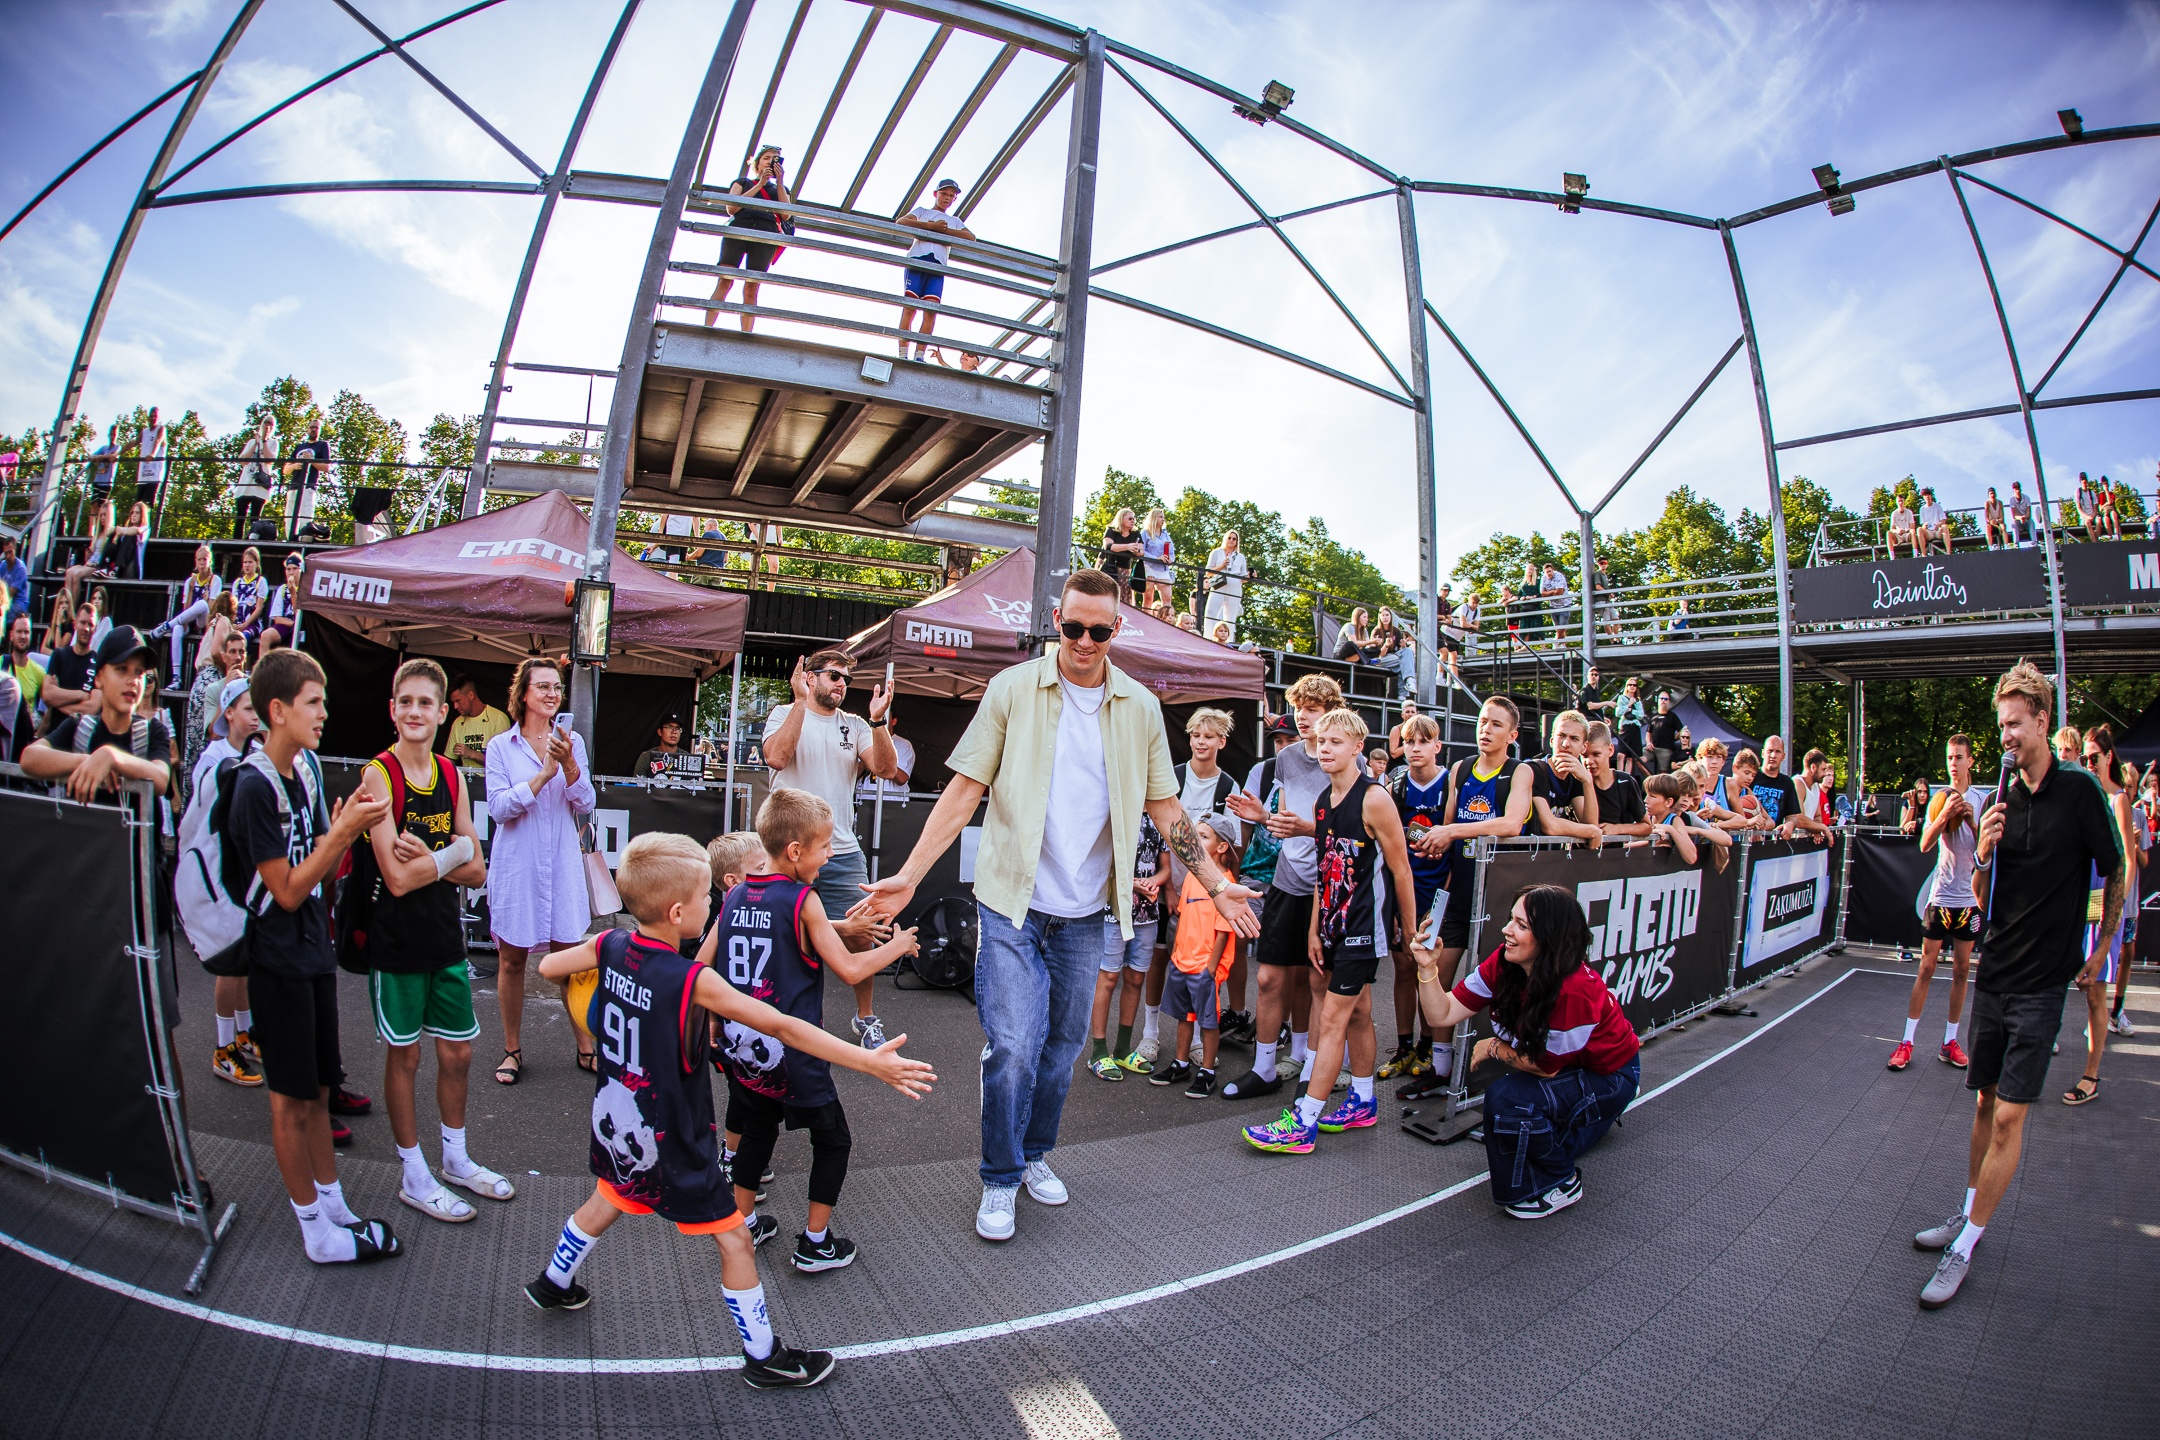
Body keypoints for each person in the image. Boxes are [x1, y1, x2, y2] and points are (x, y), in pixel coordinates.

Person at [853, 567, 1256, 1242]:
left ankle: (1034, 1152)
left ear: (1116, 629)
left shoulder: (1139, 707)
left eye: (1099, 631)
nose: (1085, 641)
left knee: (1063, 1048)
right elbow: (963, 789)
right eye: (1073, 627)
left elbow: (1166, 808)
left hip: (1087, 912)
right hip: (1011, 904)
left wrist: (1215, 883)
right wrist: (909, 875)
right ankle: (1000, 1176)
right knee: (1012, 1046)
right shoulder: (1013, 688)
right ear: (1056, 621)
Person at [526, 834, 934, 1387]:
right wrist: (868, 1061)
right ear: (677, 913)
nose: (710, 905)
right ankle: (764, 1356)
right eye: (704, 898)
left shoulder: (610, 945)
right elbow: (784, 1026)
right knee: (736, 1239)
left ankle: (554, 1281)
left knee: (611, 1197)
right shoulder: (691, 980)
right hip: (673, 1138)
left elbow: (550, 966)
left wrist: (600, 996)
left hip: (619, 1119)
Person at [1911, 664, 2123, 1309]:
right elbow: (1980, 893)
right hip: (1997, 971)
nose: (2005, 735)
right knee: (1983, 1103)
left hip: (2043, 980)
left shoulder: (2079, 791)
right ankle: (1968, 1210)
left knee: (2009, 1115)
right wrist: (1983, 851)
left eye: (2014, 724)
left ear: (2041, 722)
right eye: (2000, 724)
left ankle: (1967, 1244)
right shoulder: (1999, 797)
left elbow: (2115, 868)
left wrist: (2103, 946)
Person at [705, 789, 920, 1267]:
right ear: (795, 851)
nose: (829, 855)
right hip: (794, 1050)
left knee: (757, 1132)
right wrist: (899, 944)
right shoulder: (804, 899)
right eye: (824, 847)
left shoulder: (735, 895)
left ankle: (743, 1225)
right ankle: (816, 1242)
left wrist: (716, 1018)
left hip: (744, 1046)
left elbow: (701, 966)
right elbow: (849, 969)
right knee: (833, 1139)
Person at [236, 650, 399, 1262]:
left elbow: (319, 875)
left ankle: (333, 1207)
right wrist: (342, 834)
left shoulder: (304, 768)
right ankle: (314, 1231)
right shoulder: (253, 784)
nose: (325, 713)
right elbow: (284, 890)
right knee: (289, 1099)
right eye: (314, 702)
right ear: (277, 711)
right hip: (276, 958)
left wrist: (336, 836)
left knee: (321, 1091)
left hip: (312, 952)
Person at [352, 659, 511, 1223]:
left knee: (459, 1053)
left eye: (426, 703)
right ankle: (413, 1173)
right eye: (406, 702)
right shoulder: (379, 774)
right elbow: (396, 879)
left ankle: (455, 1158)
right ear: (392, 709)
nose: (415, 711)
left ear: (444, 713)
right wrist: (452, 854)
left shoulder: (451, 774)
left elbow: (479, 870)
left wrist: (436, 858)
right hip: (395, 941)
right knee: (406, 1054)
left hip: (445, 936)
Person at [1242, 708, 1417, 1153]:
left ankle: (1304, 1122)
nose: (1325, 749)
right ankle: (1363, 1100)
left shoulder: (1374, 798)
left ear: (1358, 747)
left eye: (1336, 742)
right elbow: (1325, 871)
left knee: (1333, 1017)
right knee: (1357, 1013)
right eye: (1321, 742)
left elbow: (1401, 870)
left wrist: (1411, 931)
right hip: (1332, 926)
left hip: (1363, 928)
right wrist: (1315, 930)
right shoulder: (1323, 800)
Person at [1412, 885, 1640, 1217]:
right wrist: (1426, 968)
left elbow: (1545, 1068)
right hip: (1570, 1068)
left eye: (1521, 925)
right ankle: (1587, 1119)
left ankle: (1561, 1181)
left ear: (1549, 937)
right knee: (1512, 1123)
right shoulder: (1503, 961)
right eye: (1511, 919)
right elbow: (1441, 1015)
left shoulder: (1574, 989)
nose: (1506, 929)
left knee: (1508, 1100)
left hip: (1610, 1075)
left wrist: (1493, 1046)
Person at [761, 650, 901, 1045]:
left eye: (846, 679)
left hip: (840, 849)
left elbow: (887, 769)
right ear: (810, 677)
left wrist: (878, 721)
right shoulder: (783, 713)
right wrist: (800, 702)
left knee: (861, 932)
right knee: (779, 932)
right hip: (787, 852)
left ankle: (866, 1016)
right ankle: (774, 1012)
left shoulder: (855, 725)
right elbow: (777, 757)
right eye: (834, 676)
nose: (842, 684)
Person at [1220, 674, 1347, 1101]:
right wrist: (1261, 817)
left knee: (1317, 981)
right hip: (1287, 879)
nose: (1302, 717)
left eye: (1312, 709)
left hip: (1330, 885)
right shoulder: (1287, 757)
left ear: (1332, 713)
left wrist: (1308, 828)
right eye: (1298, 708)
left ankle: (1313, 1071)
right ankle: (1264, 1069)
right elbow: (1287, 823)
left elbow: (1354, 831)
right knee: (1269, 978)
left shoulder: (1348, 759)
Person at [483, 657, 597, 1085]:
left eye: (557, 687)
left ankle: (585, 1046)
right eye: (544, 686)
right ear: (524, 694)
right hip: (519, 866)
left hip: (561, 865)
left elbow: (585, 802)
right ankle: (512, 1049)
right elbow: (498, 808)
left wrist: (567, 765)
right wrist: (543, 775)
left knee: (571, 962)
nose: (552, 694)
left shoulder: (572, 741)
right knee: (512, 960)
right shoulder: (500, 747)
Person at [1891, 734, 1983, 1073]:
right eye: (1950, 757)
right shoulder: (1938, 799)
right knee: (1926, 967)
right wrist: (1944, 816)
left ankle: (1950, 1041)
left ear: (1970, 761)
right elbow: (1925, 844)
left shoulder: (1982, 799)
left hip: (1968, 899)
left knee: (1962, 969)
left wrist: (1971, 821)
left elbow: (1986, 851)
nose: (1953, 763)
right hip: (1941, 896)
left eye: (1959, 757)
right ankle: (1906, 1041)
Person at [187, 673, 261, 1083]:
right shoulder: (213, 757)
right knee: (231, 962)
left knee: (246, 958)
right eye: (248, 708)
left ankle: (245, 1034)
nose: (255, 716)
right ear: (228, 713)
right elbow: (206, 815)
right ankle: (222, 1048)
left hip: (249, 871)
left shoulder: (257, 751)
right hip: (222, 871)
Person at [2068, 725, 2139, 1103]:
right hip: (2079, 903)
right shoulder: (2086, 796)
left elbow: (2128, 860)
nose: (2088, 763)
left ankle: (2091, 1076)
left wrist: (2114, 907)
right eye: (2085, 757)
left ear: (2109, 757)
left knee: (2096, 995)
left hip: (2102, 906)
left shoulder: (2118, 801)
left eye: (2094, 756)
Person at [1149, 818, 1239, 1098]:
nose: (1195, 840)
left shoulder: (1227, 883)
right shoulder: (1191, 877)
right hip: (1183, 961)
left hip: (1205, 967)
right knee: (1184, 1016)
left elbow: (1223, 931)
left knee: (1208, 1021)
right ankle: (1181, 1064)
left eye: (1203, 836)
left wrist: (1210, 969)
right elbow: (1183, 919)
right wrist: (1177, 954)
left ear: (1221, 847)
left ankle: (1207, 1072)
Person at [1381, 713, 1449, 1084]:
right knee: (1404, 968)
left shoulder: (1450, 783)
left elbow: (1455, 842)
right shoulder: (1395, 786)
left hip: (1437, 892)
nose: (1415, 748)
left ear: (1438, 746)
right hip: (1403, 889)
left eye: (1423, 742)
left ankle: (1427, 1044)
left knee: (1429, 971)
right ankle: (1405, 1045)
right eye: (1409, 742)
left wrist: (1446, 894)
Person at [1090, 813, 1164, 1081]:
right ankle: (1098, 1052)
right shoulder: (1112, 813)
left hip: (1147, 915)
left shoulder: (1158, 817)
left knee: (1135, 978)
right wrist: (1132, 884)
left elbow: (1165, 866)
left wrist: (1155, 881)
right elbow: (1099, 863)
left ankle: (1123, 1050)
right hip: (1113, 911)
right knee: (1108, 977)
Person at [703, 144, 793, 331]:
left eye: (774, 159)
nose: (770, 162)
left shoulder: (781, 189)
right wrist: (759, 184)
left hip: (766, 234)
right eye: (766, 158)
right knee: (725, 280)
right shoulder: (742, 182)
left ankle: (746, 333)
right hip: (739, 229)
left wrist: (779, 181)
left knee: (752, 288)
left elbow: (785, 215)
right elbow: (732, 208)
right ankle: (707, 327)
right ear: (757, 163)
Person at [895, 177, 974, 360]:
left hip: (938, 265)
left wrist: (943, 231)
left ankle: (919, 355)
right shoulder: (922, 212)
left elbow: (970, 237)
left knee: (931, 311)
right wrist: (929, 226)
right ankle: (902, 354)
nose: (947, 198)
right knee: (910, 308)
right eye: (944, 193)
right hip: (917, 260)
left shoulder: (954, 221)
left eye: (951, 196)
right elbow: (902, 222)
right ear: (935, 194)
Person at [182, 621, 247, 810]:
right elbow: (214, 734)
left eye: (241, 652)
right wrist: (226, 690)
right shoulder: (213, 689)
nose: (237, 657)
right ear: (224, 656)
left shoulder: (255, 688)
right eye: (232, 652)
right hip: (220, 764)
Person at [151, 542, 223, 682]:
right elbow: (186, 610)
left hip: (205, 621)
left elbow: (211, 611)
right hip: (189, 620)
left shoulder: (215, 580)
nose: (202, 562)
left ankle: (167, 625)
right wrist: (190, 590)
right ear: (195, 561)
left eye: (205, 559)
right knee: (177, 629)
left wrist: (207, 599)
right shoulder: (190, 580)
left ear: (210, 561)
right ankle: (176, 677)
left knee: (202, 604)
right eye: (199, 559)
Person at [1527, 710, 1600, 843]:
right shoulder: (1533, 769)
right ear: (1551, 741)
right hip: (1523, 852)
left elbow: (1590, 826)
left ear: (1583, 747)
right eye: (1561, 736)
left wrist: (1587, 781)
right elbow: (1549, 826)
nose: (1566, 744)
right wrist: (1591, 831)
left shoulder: (1576, 776)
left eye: (1574, 738)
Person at [40, 601, 101, 735]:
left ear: (95, 629)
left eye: (90, 624)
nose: (86, 628)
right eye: (83, 622)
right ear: (75, 624)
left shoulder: (99, 662)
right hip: (55, 734)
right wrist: (81, 695)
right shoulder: (59, 655)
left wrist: (58, 700)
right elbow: (47, 694)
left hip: (81, 737)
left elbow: (92, 708)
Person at [1585, 723, 1649, 840]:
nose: (1589, 761)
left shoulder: (1626, 781)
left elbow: (1647, 826)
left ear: (1610, 750)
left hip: (1615, 850)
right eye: (1584, 755)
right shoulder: (1575, 782)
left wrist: (1618, 829)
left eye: (1596, 754)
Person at [61, 496, 119, 612]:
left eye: (105, 515)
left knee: (77, 575)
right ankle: (65, 609)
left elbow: (109, 556)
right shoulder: (98, 533)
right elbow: (91, 555)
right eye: (101, 515)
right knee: (69, 572)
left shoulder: (112, 533)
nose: (102, 518)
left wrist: (94, 563)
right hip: (90, 563)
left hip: (99, 566)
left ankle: (72, 611)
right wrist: (87, 556)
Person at [443, 674, 510, 770]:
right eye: (453, 702)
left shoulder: (499, 719)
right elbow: (449, 761)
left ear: (470, 695)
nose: (455, 706)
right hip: (466, 778)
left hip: (492, 779)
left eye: (458, 701)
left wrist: (471, 754)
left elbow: (502, 763)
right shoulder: (457, 723)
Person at [281, 419, 331, 541]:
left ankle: (304, 539)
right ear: (307, 429)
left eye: (316, 427)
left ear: (320, 430)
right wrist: (294, 466)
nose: (314, 429)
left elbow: (326, 467)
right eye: (312, 427)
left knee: (305, 515)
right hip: (294, 485)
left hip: (309, 485)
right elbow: (285, 470)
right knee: (289, 516)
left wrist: (311, 460)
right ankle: (290, 540)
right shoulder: (299, 446)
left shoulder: (322, 445)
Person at [6, 614, 46, 758]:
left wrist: (38, 734)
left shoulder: (38, 672)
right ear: (11, 635)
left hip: (23, 741)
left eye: (26, 632)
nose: (23, 636)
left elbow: (50, 706)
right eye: (19, 632)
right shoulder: (1, 664)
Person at [234, 416, 278, 538]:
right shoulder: (251, 442)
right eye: (266, 422)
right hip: (246, 483)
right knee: (240, 517)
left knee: (255, 518)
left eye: (271, 424)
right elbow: (243, 461)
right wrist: (256, 443)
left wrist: (264, 441)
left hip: (260, 485)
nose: (268, 426)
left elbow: (270, 460)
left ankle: (251, 541)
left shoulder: (273, 443)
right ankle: (236, 541)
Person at [1202, 530, 1248, 639]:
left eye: (1234, 539)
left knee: (1230, 615)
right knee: (1210, 611)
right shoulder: (1216, 552)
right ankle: (1208, 637)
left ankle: (1229, 640)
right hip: (1219, 584)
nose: (1231, 540)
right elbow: (1208, 572)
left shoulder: (1240, 556)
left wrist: (1250, 576)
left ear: (1237, 542)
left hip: (1234, 586)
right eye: (1229, 538)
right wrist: (1222, 566)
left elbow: (1243, 577)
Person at [1099, 507, 1143, 600]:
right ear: (1121, 518)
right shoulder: (1111, 530)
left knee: (1124, 596)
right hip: (1110, 567)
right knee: (1109, 594)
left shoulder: (1135, 533)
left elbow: (1141, 552)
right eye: (1130, 518)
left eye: (1133, 519)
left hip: (1125, 570)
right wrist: (1127, 546)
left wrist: (1136, 550)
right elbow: (1108, 545)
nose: (1133, 521)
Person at [229, 546, 270, 643]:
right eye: (245, 562)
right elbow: (233, 607)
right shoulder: (237, 582)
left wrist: (245, 624)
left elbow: (259, 609)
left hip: (253, 624)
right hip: (237, 623)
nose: (247, 565)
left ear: (257, 563)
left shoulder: (261, 581)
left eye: (250, 562)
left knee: (242, 639)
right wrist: (233, 623)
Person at [263, 552, 304, 648]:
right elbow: (277, 618)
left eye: (294, 569)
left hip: (302, 628)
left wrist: (293, 593)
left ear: (301, 570)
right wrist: (293, 624)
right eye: (288, 569)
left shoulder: (306, 589)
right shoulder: (282, 589)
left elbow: (299, 616)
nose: (291, 572)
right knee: (265, 636)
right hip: (286, 625)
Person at [1138, 509, 1176, 612]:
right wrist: (1156, 558)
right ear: (1154, 518)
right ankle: (1146, 618)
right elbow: (1141, 551)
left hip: (1163, 569)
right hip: (1149, 566)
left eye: (1163, 517)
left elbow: (1172, 552)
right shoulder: (1145, 533)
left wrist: (1170, 559)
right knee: (1148, 598)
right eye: (1160, 517)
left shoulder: (1165, 534)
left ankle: (1164, 618)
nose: (1163, 519)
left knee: (1167, 599)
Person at [633, 712, 688, 779]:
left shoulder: (687, 757)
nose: (674, 731)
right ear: (660, 732)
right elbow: (638, 783)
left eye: (677, 728)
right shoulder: (646, 757)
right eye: (669, 727)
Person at [136, 407, 168, 509]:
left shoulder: (161, 429)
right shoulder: (145, 432)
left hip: (154, 474)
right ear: (148, 417)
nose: (153, 418)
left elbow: (158, 440)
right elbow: (134, 442)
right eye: (151, 416)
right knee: (137, 504)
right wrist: (118, 453)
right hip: (143, 474)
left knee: (147, 504)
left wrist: (153, 454)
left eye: (155, 416)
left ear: (158, 417)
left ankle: (146, 520)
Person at [1644, 691, 1681, 775]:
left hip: (1665, 749)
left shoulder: (1672, 716)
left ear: (1668, 701)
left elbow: (1681, 730)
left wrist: (1674, 738)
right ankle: (1650, 779)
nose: (1663, 700)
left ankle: (1658, 782)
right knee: (1638, 759)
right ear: (1658, 700)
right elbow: (1648, 732)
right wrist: (1648, 743)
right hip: (1652, 748)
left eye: (1665, 699)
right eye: (1661, 698)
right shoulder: (1654, 716)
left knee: (1663, 773)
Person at [0, 533, 27, 634]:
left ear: (15, 549)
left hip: (18, 602)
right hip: (5, 599)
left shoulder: (20, 568)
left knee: (4, 612)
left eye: (10, 552)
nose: (8, 556)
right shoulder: (3, 565)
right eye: (6, 553)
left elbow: (10, 593)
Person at [1539, 561, 1570, 645]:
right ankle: (1562, 644)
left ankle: (1555, 642)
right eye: (1547, 572)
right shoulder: (1544, 578)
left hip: (1564, 604)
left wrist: (1549, 593)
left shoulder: (1559, 576)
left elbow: (1559, 592)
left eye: (1550, 571)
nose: (1549, 573)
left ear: (1553, 570)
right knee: (1557, 627)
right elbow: (1542, 593)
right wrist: (1553, 591)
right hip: (1553, 605)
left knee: (1562, 626)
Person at [1917, 486, 1950, 555]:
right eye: (1925, 495)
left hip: (1938, 531)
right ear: (1923, 497)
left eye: (1928, 495)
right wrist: (1925, 526)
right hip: (1929, 533)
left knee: (1945, 527)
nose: (1927, 497)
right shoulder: (1922, 509)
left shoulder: (1937, 506)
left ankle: (1948, 552)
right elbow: (1922, 525)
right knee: (1919, 529)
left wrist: (1938, 525)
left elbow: (1943, 521)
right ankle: (1923, 554)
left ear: (1931, 496)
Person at [1888, 493, 1919, 557]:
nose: (1900, 503)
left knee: (1913, 531)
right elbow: (1891, 529)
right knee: (1888, 533)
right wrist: (1897, 531)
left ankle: (1915, 554)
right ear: (1896, 503)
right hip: (1898, 536)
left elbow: (1912, 527)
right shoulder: (1894, 513)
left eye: (1901, 501)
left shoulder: (1909, 512)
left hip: (1907, 534)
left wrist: (1905, 530)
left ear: (1904, 502)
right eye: (1899, 501)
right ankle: (1892, 557)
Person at [2007, 480, 2033, 545]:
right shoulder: (2011, 499)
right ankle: (2016, 544)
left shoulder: (2027, 498)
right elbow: (2014, 515)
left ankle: (2034, 542)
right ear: (2013, 491)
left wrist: (2024, 517)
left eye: (2018, 489)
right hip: (2018, 522)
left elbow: (2029, 514)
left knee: (2031, 522)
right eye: (2016, 490)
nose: (2017, 491)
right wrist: (2020, 518)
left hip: (2026, 521)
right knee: (2014, 522)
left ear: (2020, 489)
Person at [2074, 472, 2098, 539]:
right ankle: (2094, 542)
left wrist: (2093, 516)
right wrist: (2087, 517)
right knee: (2087, 522)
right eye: (2082, 480)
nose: (2084, 481)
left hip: (2093, 516)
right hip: (2084, 517)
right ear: (2080, 481)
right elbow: (2079, 509)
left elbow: (2095, 508)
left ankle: (2097, 540)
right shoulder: (2078, 492)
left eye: (2085, 479)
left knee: (2099, 521)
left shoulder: (2091, 492)